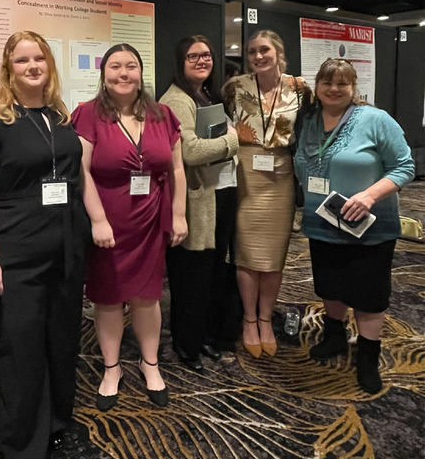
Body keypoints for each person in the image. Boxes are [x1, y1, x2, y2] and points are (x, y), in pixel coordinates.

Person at [0, 31, 89, 459]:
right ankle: (22, 446)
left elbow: (73, 178)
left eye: (39, 58)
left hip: (66, 248)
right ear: (8, 67)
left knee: (60, 340)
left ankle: (55, 420)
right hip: (15, 251)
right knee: (19, 349)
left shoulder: (58, 115)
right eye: (22, 60)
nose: (32, 66)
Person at [72, 43, 187, 410]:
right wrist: (98, 220)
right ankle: (111, 367)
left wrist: (179, 214)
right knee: (107, 298)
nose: (124, 74)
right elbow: (81, 171)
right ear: (103, 75)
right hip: (107, 225)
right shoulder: (88, 115)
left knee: (148, 297)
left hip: (150, 221)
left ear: (141, 72)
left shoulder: (163, 115)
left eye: (131, 66)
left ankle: (149, 363)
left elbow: (177, 169)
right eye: (116, 67)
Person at [294, 58, 414, 393]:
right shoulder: (309, 120)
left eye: (342, 84)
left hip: (369, 228)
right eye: (327, 83)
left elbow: (404, 167)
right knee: (330, 286)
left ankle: (367, 359)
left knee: (368, 295)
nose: (334, 89)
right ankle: (334, 337)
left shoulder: (376, 120)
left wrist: (369, 196)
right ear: (317, 86)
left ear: (353, 87)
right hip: (323, 222)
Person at [222, 29, 311, 358]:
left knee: (273, 258)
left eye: (264, 50)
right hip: (246, 175)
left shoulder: (299, 88)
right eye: (252, 52)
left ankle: (265, 320)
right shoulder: (235, 88)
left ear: (278, 51)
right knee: (245, 254)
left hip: (280, 178)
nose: (258, 56)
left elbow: (315, 125)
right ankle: (248, 320)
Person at [159, 35, 239, 371]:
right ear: (181, 61)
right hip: (197, 201)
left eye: (206, 55)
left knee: (211, 271)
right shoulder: (177, 100)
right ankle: (187, 345)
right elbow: (191, 151)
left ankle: (203, 335)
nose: (202, 60)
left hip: (221, 193)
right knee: (191, 276)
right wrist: (235, 139)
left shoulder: (207, 94)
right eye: (193, 56)